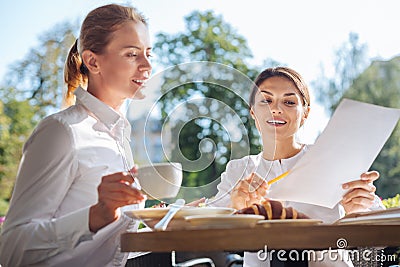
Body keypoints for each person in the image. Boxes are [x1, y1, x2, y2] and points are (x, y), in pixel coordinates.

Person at [0, 4, 152, 266]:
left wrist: (172, 224)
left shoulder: (118, 136)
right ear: (93, 61)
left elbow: (108, 250)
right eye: (131, 54)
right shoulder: (61, 132)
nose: (147, 65)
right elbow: (11, 249)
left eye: (149, 53)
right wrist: (94, 216)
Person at [211, 66, 384, 266]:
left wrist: (358, 211)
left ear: (305, 113)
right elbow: (208, 228)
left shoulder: (334, 160)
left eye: (289, 102)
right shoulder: (238, 171)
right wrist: (235, 208)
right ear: (253, 112)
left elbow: (380, 238)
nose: (276, 109)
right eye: (266, 100)